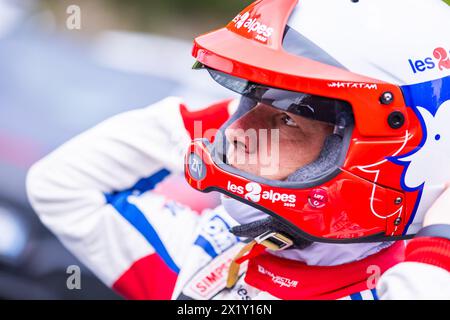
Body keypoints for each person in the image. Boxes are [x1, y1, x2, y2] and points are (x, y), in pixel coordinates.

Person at [26, 0, 450, 299]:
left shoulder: (402, 285)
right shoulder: (210, 254)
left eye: (286, 119)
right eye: (246, 104)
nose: (237, 132)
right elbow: (59, 185)